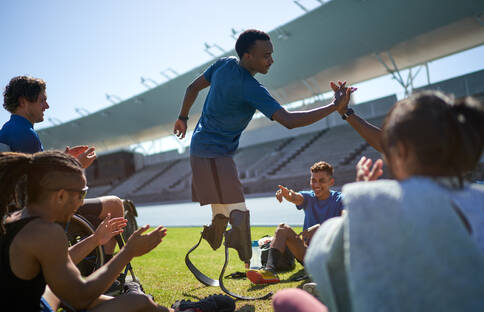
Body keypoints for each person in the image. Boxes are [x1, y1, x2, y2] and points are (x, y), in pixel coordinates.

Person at [173, 29, 354, 267]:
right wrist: (334, 106)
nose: (271, 60)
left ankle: (216, 231)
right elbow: (289, 121)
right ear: (248, 56)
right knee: (239, 212)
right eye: (266, 55)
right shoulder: (252, 88)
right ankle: (252, 265)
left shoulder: (223, 64)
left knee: (223, 213)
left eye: (272, 54)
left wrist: (183, 118)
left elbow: (192, 88)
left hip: (197, 149)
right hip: (215, 154)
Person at [304, 90, 484, 311]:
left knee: (288, 300)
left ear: (401, 150)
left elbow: (322, 261)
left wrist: (359, 203)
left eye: (387, 148)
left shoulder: (374, 200)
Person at [0, 151, 236, 312]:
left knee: (138, 303)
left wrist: (96, 239)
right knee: (138, 302)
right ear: (61, 195)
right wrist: (128, 252)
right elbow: (80, 296)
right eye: (82, 193)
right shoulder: (45, 232)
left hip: (35, 301)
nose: (81, 202)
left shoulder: (14, 219)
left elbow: (59, 262)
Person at [0, 75, 124, 263]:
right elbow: (45, 184)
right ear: (23, 102)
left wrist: (65, 159)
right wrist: (76, 166)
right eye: (42, 100)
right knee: (115, 204)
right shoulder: (25, 134)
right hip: (35, 215)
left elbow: (30, 173)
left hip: (13, 214)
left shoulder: (4, 133)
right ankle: (106, 271)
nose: (47, 106)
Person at [246, 161, 343, 284]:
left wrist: (321, 228)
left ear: (331, 182)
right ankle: (269, 271)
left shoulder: (340, 199)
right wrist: (288, 194)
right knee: (282, 228)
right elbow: (296, 197)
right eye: (313, 180)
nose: (316, 184)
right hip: (308, 254)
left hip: (331, 255)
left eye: (321, 180)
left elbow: (347, 222)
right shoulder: (308, 197)